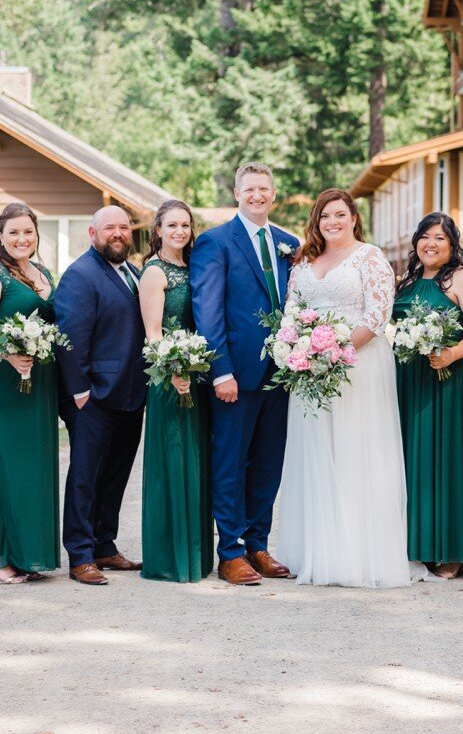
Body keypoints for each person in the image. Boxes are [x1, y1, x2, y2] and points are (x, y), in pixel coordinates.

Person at [272, 189, 419, 587]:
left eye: (339, 214)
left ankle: (357, 555)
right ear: (316, 222)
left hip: (359, 366)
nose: (332, 222)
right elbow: (291, 310)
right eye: (324, 216)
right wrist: (295, 348)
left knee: (357, 453)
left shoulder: (370, 257)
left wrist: (333, 354)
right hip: (309, 370)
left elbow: (376, 316)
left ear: (354, 217)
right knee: (316, 453)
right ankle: (316, 550)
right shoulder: (304, 260)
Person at [190, 162, 301, 586]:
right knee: (230, 464)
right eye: (249, 189)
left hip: (282, 373)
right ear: (237, 193)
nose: (257, 196)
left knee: (269, 464)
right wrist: (220, 371)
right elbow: (208, 310)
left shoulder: (288, 243)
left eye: (264, 189)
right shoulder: (214, 243)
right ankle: (230, 551)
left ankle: (259, 544)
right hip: (236, 374)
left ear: (273, 194)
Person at [392, 213, 463, 579]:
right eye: (425, 236)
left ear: (452, 245)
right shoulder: (407, 280)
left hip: (451, 378)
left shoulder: (462, 279)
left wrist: (451, 353)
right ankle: (419, 545)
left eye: (439, 238)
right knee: (414, 461)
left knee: (450, 458)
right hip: (410, 380)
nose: (430, 244)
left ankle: (455, 550)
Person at [0, 203, 61, 584]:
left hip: (36, 385)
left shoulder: (44, 273)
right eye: (14, 232)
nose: (23, 239)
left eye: (29, 232)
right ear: (0, 236)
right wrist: (9, 352)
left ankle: (29, 554)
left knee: (30, 468)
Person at [56, 205, 148, 586]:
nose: (118, 233)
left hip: (131, 392)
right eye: (109, 227)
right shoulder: (80, 275)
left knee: (116, 474)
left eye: (124, 227)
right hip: (93, 395)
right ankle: (79, 554)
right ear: (92, 233)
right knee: (85, 476)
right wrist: (79, 391)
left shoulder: (133, 272)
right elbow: (71, 339)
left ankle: (104, 544)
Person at [138, 199, 214, 583]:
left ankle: (197, 556)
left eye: (185, 225)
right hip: (169, 379)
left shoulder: (194, 266)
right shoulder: (154, 271)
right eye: (172, 226)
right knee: (173, 458)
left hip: (196, 377)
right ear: (159, 230)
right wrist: (172, 371)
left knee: (196, 461)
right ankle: (170, 557)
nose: (180, 232)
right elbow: (153, 333)